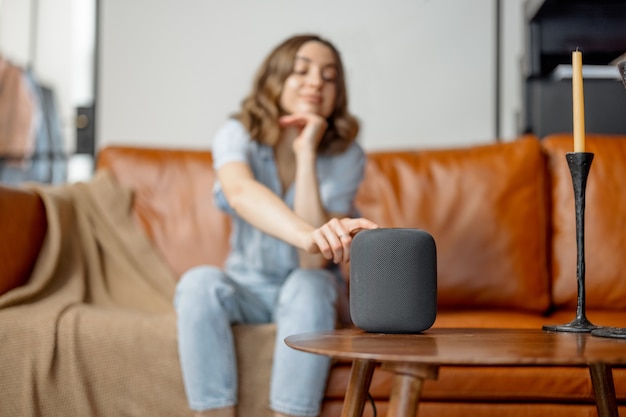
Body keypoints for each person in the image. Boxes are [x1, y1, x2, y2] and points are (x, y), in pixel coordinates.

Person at [174, 33, 379, 417]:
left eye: (329, 76)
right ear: (276, 79)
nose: (317, 81)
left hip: (309, 288)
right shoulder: (236, 135)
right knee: (197, 283)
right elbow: (239, 191)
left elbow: (312, 263)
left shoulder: (347, 156)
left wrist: (306, 154)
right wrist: (309, 235)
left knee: (311, 284)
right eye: (302, 71)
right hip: (247, 287)